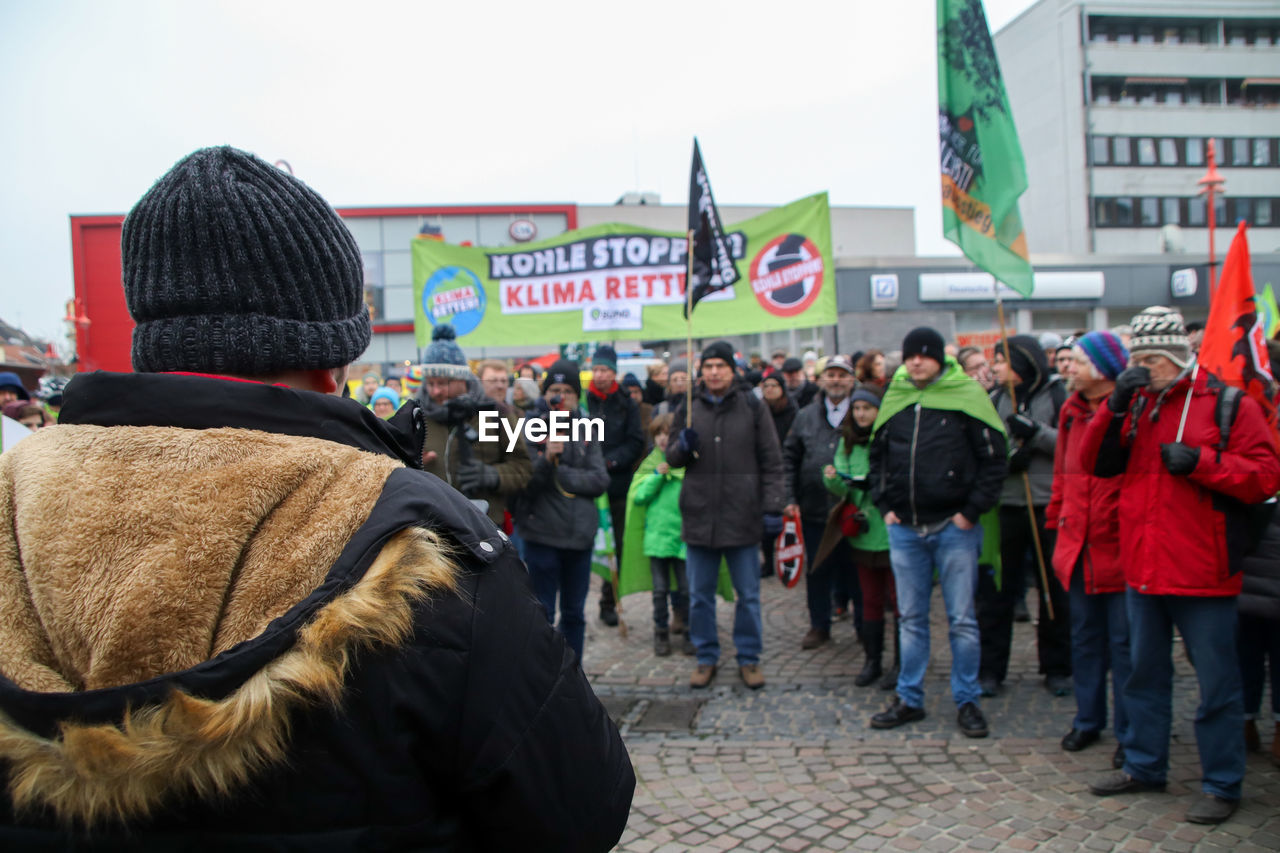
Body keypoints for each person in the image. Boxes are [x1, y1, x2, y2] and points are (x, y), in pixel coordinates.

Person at [0, 146, 633, 849]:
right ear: (335, 363)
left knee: (563, 615)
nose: (446, 387)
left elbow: (534, 470)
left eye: (454, 380)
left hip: (509, 546)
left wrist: (494, 479)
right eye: (441, 379)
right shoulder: (414, 416)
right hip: (460, 583)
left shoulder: (495, 416)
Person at [1083, 306, 1280, 825]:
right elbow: (1092, 460)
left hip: (1204, 571)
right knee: (1143, 675)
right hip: (1144, 568)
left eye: (1154, 359)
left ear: (1178, 356)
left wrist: (1202, 464)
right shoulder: (1137, 403)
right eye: (1138, 358)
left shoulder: (1229, 403)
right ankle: (1145, 764)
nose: (1145, 368)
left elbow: (1264, 476)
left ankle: (1221, 781)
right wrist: (1116, 404)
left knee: (1217, 684)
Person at [867, 327, 1007, 738]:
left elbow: (994, 460)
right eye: (910, 355)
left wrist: (970, 512)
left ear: (939, 360)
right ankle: (910, 698)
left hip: (953, 527)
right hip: (905, 528)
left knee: (962, 620)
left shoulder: (966, 396)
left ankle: (967, 700)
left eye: (924, 355)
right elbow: (876, 457)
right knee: (910, 618)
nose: (916, 362)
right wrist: (885, 506)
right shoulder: (895, 397)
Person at [667, 340, 785, 690]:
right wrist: (682, 448)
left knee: (747, 595)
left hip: (742, 515)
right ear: (700, 371)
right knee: (699, 595)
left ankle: (749, 657)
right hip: (700, 515)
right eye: (708, 366)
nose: (714, 372)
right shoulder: (688, 408)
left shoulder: (752, 405)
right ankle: (706, 656)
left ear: (732, 370)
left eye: (720, 366)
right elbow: (671, 458)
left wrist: (773, 505)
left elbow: (772, 459)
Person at [1044, 331, 1132, 767]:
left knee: (1125, 645)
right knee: (1085, 640)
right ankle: (1087, 719)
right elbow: (1063, 472)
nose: (1068, 368)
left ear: (1100, 370)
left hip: (1118, 548)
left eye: (1076, 362)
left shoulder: (1130, 410)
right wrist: (1056, 518)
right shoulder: (1070, 410)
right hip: (1077, 544)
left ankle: (1129, 733)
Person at [979, 335, 1071, 698]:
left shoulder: (1058, 395)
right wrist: (1005, 459)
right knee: (998, 593)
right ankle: (991, 669)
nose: (996, 367)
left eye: (1001, 361)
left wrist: (1037, 435)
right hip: (1007, 506)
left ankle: (1058, 667)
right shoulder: (994, 399)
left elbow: (1073, 445)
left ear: (1021, 362)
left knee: (1053, 590)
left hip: (1048, 506)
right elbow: (984, 448)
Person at [513, 361, 610, 664]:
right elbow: (524, 483)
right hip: (542, 535)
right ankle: (543, 675)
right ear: (545, 393)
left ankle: (573, 675)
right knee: (543, 612)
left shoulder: (587, 427)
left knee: (574, 613)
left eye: (567, 391)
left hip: (579, 537)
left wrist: (564, 473)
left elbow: (599, 479)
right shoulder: (530, 428)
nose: (561, 397)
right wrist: (546, 459)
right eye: (555, 390)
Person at [415, 325, 532, 529]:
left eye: (443, 383)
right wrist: (413, 463)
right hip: (432, 529)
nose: (435, 391)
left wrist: (492, 475)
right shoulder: (414, 415)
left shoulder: (497, 413)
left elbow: (523, 467)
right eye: (430, 383)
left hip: (484, 527)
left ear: (463, 379)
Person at [782, 355, 861, 650]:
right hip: (815, 509)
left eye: (842, 375)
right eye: (831, 375)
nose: (836, 380)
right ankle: (819, 625)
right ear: (821, 380)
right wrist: (789, 498)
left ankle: (864, 626)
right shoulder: (805, 416)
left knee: (855, 572)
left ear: (851, 380)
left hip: (853, 509)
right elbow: (789, 458)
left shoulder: (863, 410)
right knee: (817, 571)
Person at [823, 386, 896, 688]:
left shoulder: (891, 440)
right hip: (863, 530)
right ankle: (873, 660)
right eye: (857, 409)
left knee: (899, 601)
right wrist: (833, 480)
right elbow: (842, 486)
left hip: (891, 529)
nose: (862, 414)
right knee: (870, 600)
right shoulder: (848, 443)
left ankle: (902, 663)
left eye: (868, 408)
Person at [585, 345, 645, 627]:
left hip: (616, 485)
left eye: (605, 370)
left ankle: (608, 601)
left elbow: (636, 441)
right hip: (586, 487)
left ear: (613, 372)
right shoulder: (584, 401)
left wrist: (611, 461)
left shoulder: (626, 403)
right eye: (596, 369)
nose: (600, 375)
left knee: (614, 546)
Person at [627, 414, 694, 657]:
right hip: (657, 539)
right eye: (659, 434)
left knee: (687, 590)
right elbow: (639, 496)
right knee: (660, 590)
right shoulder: (650, 465)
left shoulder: (688, 464)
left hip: (683, 538)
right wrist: (657, 476)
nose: (664, 439)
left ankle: (689, 632)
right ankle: (661, 633)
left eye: (668, 434)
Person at [759, 372, 798, 577]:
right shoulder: (758, 410)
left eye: (774, 385)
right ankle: (768, 561)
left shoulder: (792, 411)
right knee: (767, 519)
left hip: (788, 467)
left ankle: (790, 557)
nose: (770, 389)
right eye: (766, 386)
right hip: (766, 470)